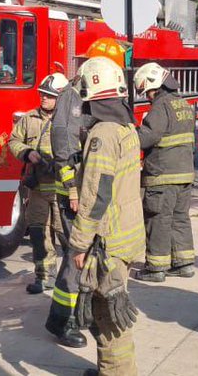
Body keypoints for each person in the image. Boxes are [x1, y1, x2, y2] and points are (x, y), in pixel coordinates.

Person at [46, 37, 129, 349]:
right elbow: (63, 142)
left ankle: (75, 314)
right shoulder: (74, 94)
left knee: (87, 256)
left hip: (93, 191)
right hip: (77, 193)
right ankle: (63, 320)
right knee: (76, 257)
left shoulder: (101, 92)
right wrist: (71, 189)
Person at [69, 56, 143, 376]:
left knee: (108, 312)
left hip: (107, 240)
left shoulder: (103, 134)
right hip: (124, 234)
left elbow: (95, 195)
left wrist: (79, 243)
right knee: (109, 308)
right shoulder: (126, 127)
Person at [133, 62, 197, 283]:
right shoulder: (184, 104)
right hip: (185, 173)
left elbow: (147, 138)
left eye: (147, 92)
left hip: (162, 175)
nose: (147, 97)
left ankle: (155, 268)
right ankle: (184, 264)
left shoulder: (161, 106)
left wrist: (131, 134)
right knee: (180, 218)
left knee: (158, 220)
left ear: (154, 85)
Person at [8, 73, 69, 294]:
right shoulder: (29, 119)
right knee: (38, 234)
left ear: (60, 98)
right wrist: (27, 153)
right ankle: (44, 277)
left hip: (62, 190)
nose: (44, 98)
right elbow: (13, 141)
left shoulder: (69, 121)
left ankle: (71, 278)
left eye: (49, 95)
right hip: (38, 190)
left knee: (66, 236)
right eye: (42, 94)